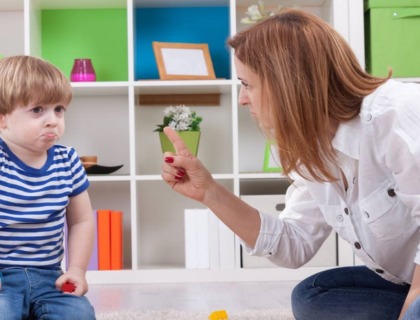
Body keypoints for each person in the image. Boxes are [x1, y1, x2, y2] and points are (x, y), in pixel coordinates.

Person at [161, 9, 420, 320]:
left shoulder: (395, 113)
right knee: (313, 297)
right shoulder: (316, 148)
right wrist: (209, 192)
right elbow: (294, 244)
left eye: (248, 84)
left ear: (287, 82)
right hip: (407, 280)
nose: (243, 99)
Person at [0, 55, 96, 319]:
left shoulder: (68, 161)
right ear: (3, 118)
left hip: (50, 277)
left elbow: (82, 221)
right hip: (1, 278)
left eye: (59, 109)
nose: (53, 120)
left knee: (79, 314)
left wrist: (76, 270)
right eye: (37, 110)